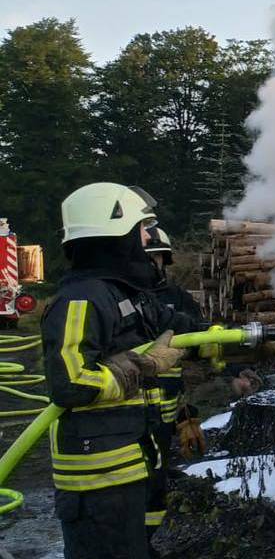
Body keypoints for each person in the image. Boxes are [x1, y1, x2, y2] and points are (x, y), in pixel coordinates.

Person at [41, 183, 201, 559]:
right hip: (97, 476)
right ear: (116, 234)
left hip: (131, 460)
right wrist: (145, 367)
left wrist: (251, 344)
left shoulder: (126, 295)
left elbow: (180, 331)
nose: (148, 239)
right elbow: (72, 382)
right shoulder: (81, 298)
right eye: (142, 229)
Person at [140, 226, 206, 537]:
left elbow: (204, 339)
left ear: (164, 261)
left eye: (155, 258)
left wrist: (237, 374)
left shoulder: (176, 299)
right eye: (144, 257)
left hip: (166, 404)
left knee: (157, 477)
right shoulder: (120, 300)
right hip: (128, 407)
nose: (150, 265)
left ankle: (148, 542)